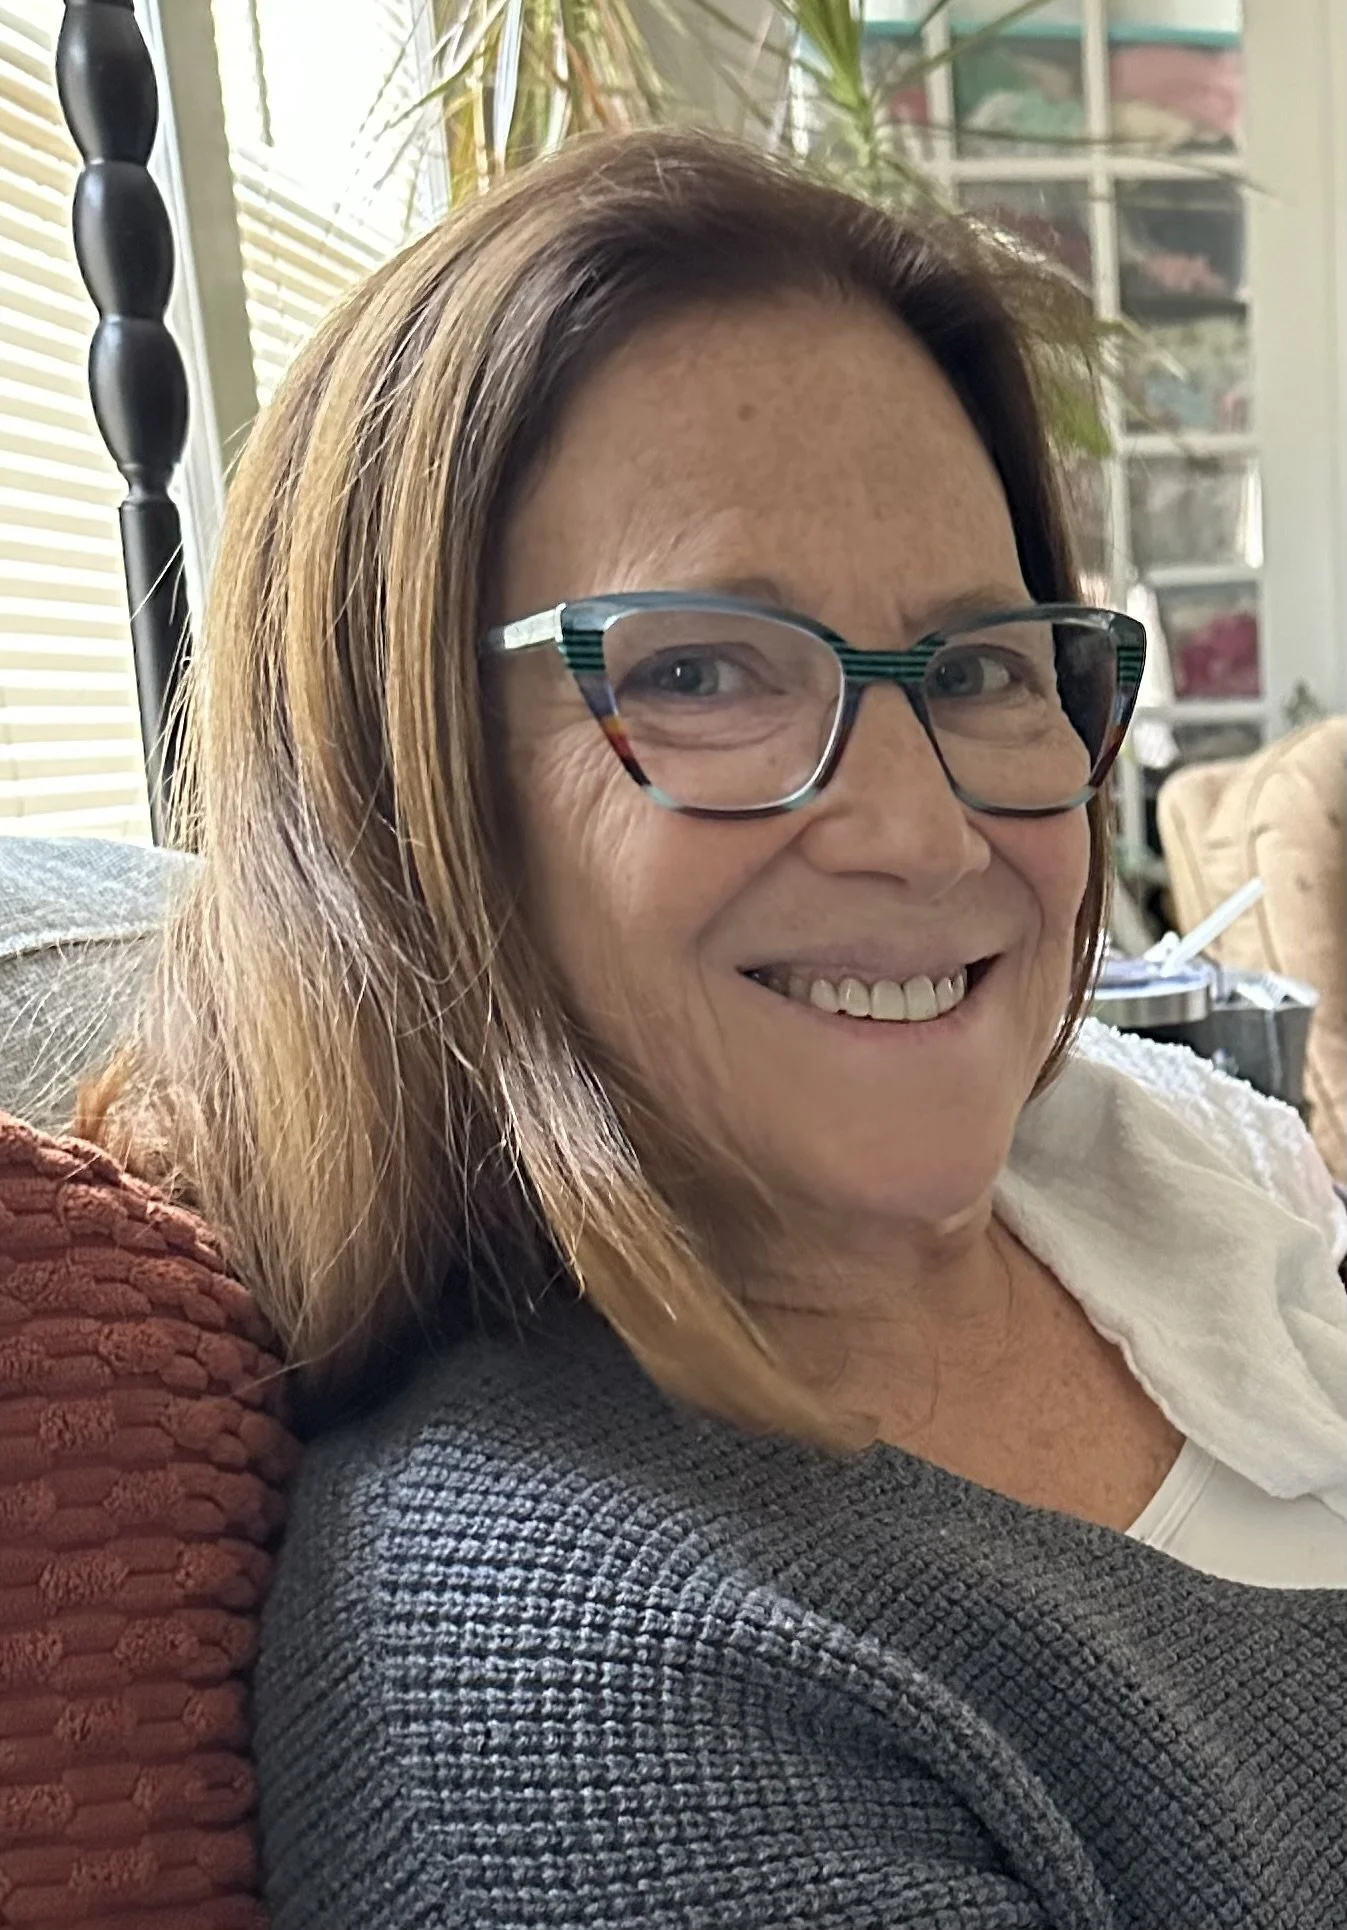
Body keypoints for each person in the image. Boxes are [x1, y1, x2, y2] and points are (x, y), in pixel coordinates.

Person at [81, 130, 1347, 1927]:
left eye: (980, 667)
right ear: (402, 798)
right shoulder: (573, 1697)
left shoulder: (1134, 1157)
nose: (926, 834)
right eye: (696, 671)